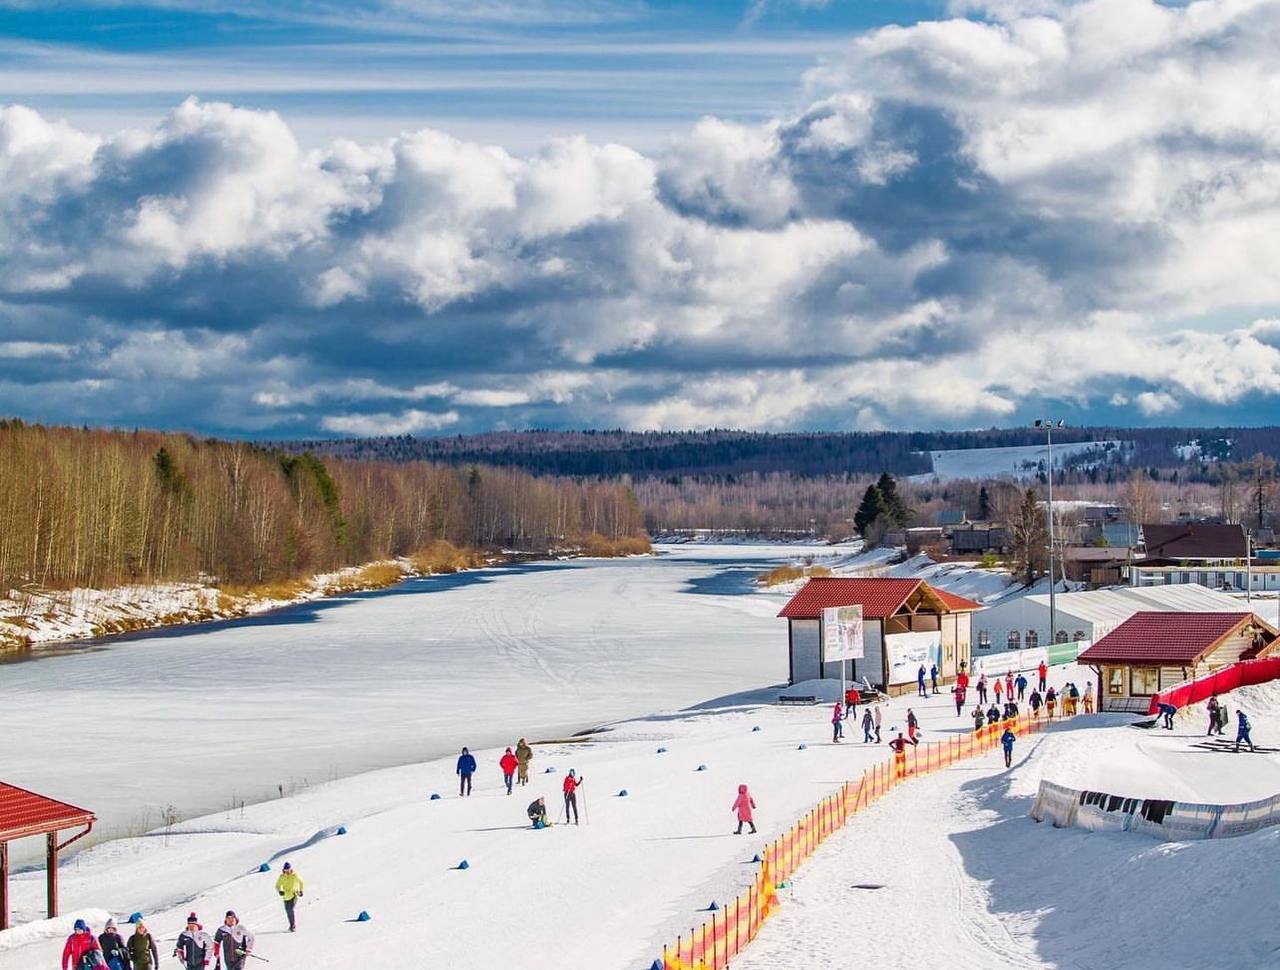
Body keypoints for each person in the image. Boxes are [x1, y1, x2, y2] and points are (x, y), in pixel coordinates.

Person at [275, 860, 304, 932]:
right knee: (287, 911)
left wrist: (301, 890)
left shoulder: (295, 875)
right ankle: (291, 925)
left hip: (294, 894)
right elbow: (277, 885)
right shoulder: (282, 877)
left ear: (290, 869)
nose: (287, 871)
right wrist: (280, 891)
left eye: (288, 869)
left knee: (290, 909)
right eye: (286, 869)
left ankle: (293, 926)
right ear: (283, 869)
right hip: (286, 896)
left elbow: (301, 882)